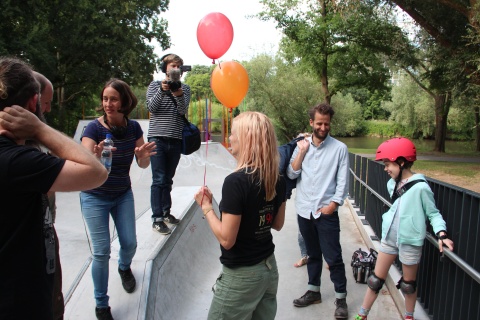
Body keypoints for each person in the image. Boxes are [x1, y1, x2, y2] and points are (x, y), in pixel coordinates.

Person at [0, 56, 107, 320]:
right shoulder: (17, 161)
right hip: (19, 302)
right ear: (33, 103)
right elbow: (96, 172)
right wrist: (39, 128)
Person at [194, 111, 287, 320]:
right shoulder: (278, 179)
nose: (229, 138)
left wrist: (207, 207)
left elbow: (227, 240)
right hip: (269, 270)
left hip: (242, 275)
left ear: (246, 139)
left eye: (234, 134)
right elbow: (278, 224)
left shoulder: (236, 182)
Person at [80, 79, 156, 320]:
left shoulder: (134, 128)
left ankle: (124, 267)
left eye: (113, 99)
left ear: (124, 101)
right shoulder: (93, 129)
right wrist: (93, 156)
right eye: (105, 99)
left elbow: (143, 163)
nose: (108, 104)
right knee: (101, 252)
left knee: (130, 243)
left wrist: (143, 156)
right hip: (94, 196)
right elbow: (82, 162)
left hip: (122, 194)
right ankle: (101, 304)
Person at [354, 137, 454, 320]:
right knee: (375, 280)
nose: (385, 169)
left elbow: (433, 214)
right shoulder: (392, 184)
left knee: (408, 284)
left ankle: (408, 316)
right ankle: (362, 315)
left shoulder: (421, 188)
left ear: (401, 162)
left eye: (387, 164)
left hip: (410, 241)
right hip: (389, 238)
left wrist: (442, 234)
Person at [287, 103, 349, 319]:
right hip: (304, 210)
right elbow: (292, 174)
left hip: (326, 213)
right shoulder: (301, 145)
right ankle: (314, 291)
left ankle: (341, 298)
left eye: (327, 124)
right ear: (311, 123)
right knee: (313, 255)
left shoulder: (340, 149)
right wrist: (301, 152)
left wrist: (333, 206)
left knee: (333, 258)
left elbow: (342, 183)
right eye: (319, 123)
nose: (323, 127)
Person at [147, 53, 191, 235]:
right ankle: (156, 218)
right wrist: (163, 90)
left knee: (168, 179)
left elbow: (182, 110)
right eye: (173, 66)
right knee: (158, 179)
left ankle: (166, 212)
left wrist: (178, 94)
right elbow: (152, 108)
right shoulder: (155, 85)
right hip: (157, 138)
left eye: (179, 66)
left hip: (175, 139)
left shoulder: (185, 88)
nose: (176, 69)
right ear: (164, 68)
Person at [33, 71, 65, 320]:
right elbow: (92, 171)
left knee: (54, 298)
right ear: (32, 101)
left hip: (45, 227)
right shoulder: (23, 147)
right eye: (46, 102)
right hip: (32, 240)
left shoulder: (34, 140)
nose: (48, 109)